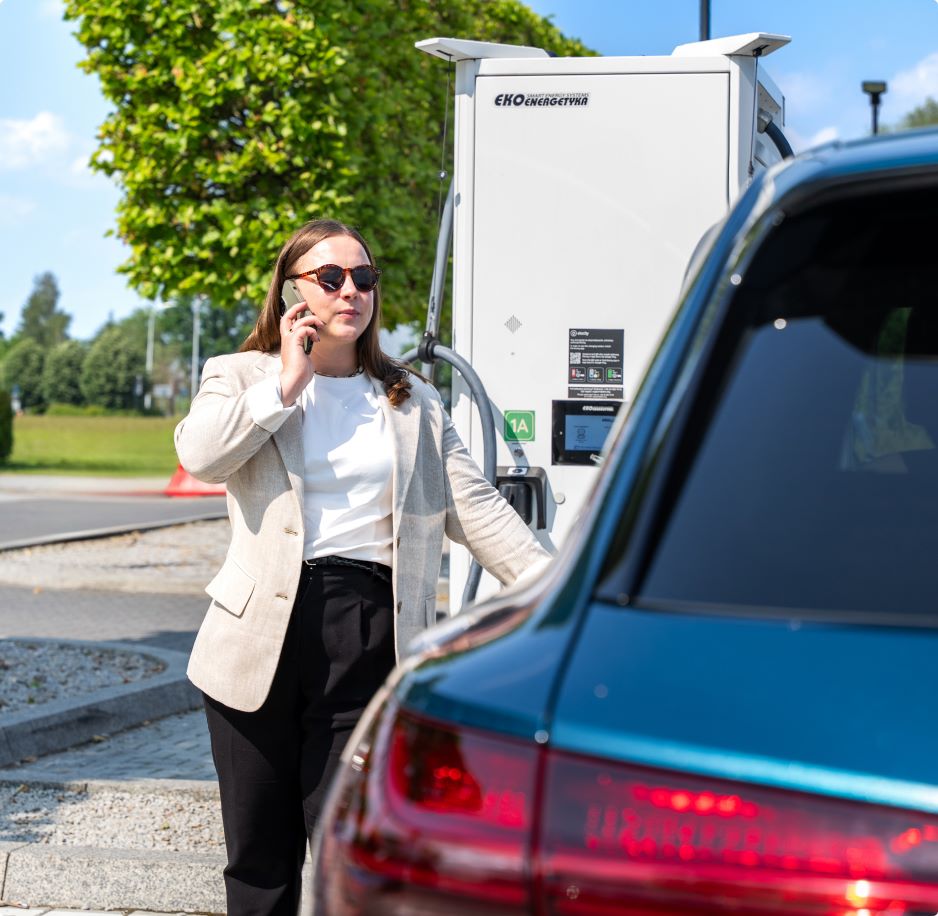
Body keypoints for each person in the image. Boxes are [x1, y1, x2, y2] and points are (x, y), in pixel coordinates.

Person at [174, 218, 551, 916]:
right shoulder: (240, 375)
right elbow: (201, 455)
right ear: (292, 292)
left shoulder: (412, 399)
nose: (352, 290)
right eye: (331, 278)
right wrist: (286, 382)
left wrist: (569, 595)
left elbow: (481, 514)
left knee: (351, 852)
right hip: (258, 636)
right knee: (258, 861)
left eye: (365, 278)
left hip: (371, 635)